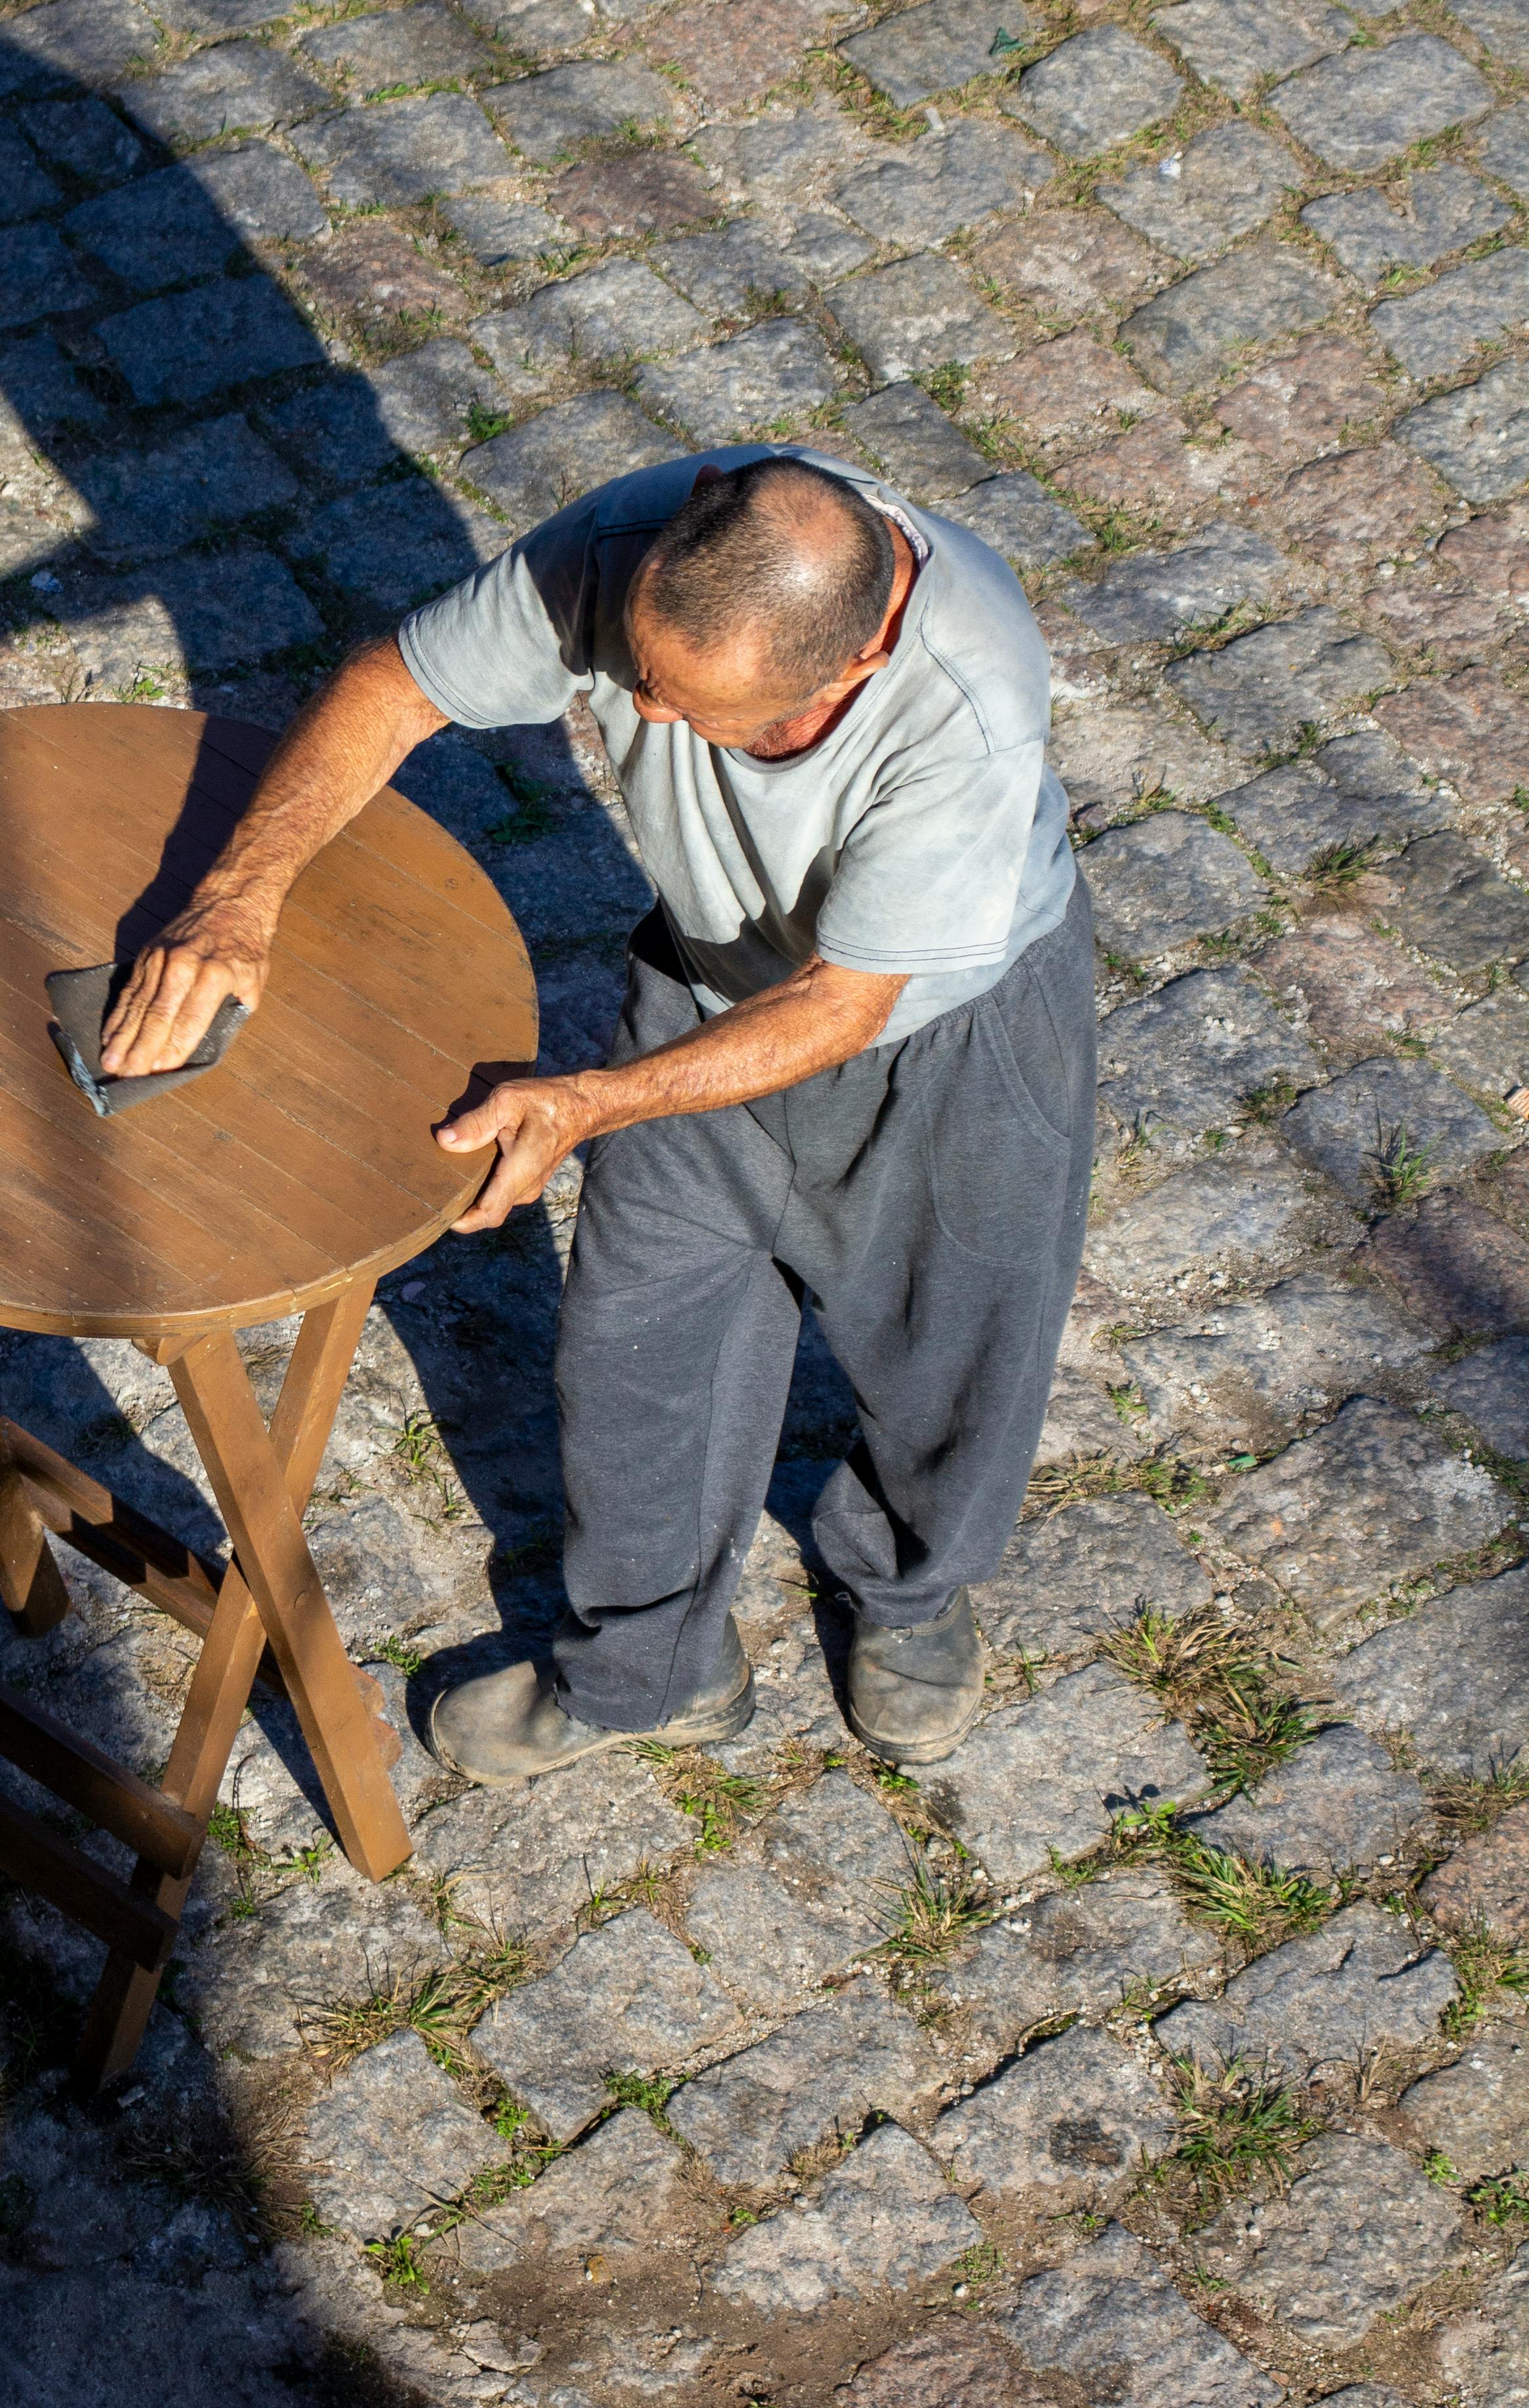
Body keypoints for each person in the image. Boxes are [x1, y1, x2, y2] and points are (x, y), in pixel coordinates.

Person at [99, 443, 1095, 1787]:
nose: (654, 727)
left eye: (703, 712)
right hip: (705, 982)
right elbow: (396, 684)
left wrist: (590, 1101)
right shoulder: (641, 547)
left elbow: (843, 1006)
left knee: (948, 1351)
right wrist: (240, 895)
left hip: (940, 1038)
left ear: (848, 673)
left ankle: (912, 1593)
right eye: (641, 682)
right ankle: (652, 1669)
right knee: (635, 1350)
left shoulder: (962, 709)